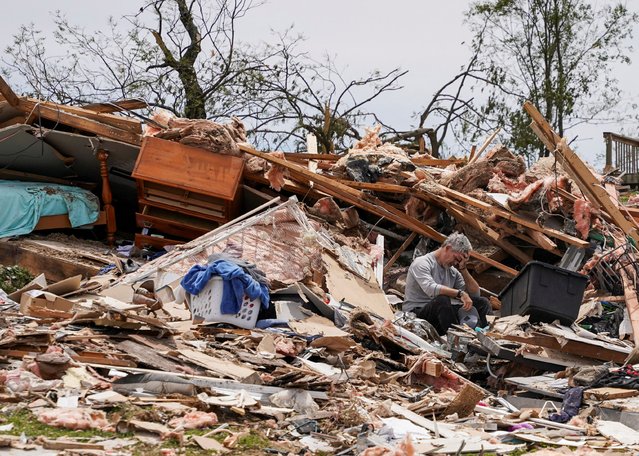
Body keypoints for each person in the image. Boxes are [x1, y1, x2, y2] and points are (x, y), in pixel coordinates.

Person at [402, 232, 491, 335]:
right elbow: (431, 289)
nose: (456, 263)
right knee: (442, 300)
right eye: (457, 259)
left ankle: (489, 336)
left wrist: (463, 268)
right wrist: (460, 294)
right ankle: (456, 340)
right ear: (448, 248)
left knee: (482, 302)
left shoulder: (452, 271)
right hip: (416, 313)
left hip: (442, 314)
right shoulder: (422, 263)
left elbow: (475, 294)